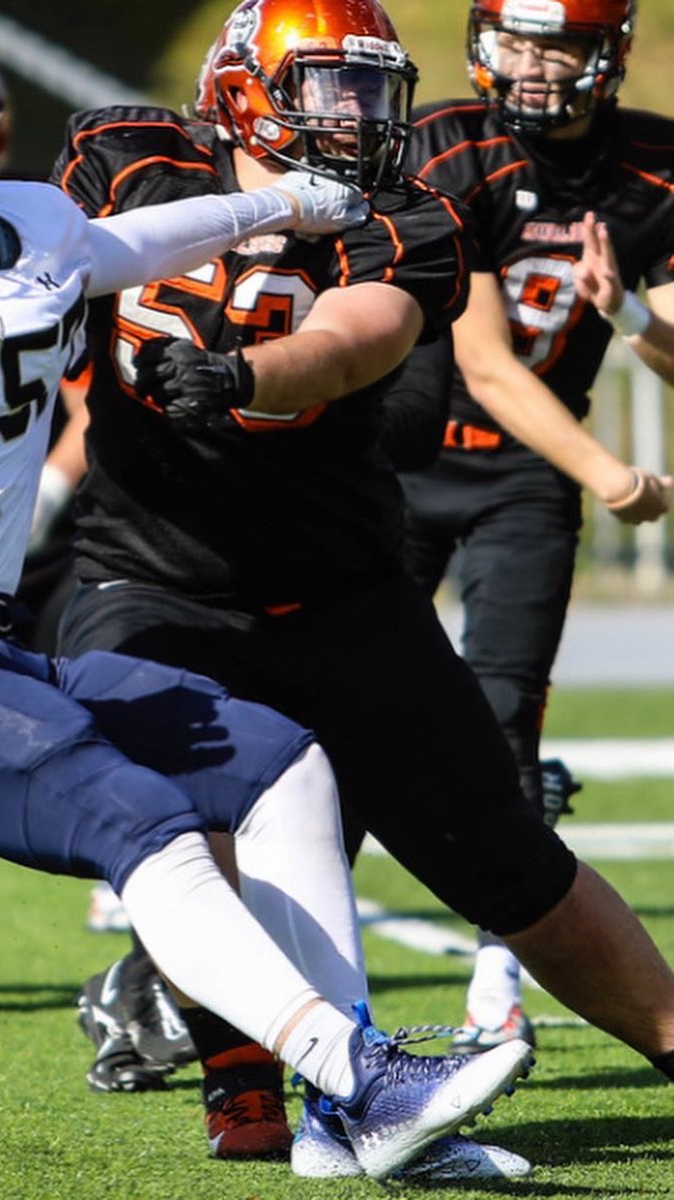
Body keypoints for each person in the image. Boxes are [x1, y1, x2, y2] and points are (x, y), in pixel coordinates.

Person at [0, 28, 535, 1184]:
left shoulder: (35, 227)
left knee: (280, 763)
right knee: (133, 811)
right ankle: (358, 1070)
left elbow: (122, 243)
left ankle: (352, 1122)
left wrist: (275, 205)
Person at [48, 0, 674, 1178]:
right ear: (242, 88)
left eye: (375, 90)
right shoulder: (125, 153)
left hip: (341, 590)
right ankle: (255, 1095)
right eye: (330, 88)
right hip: (151, 577)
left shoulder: (406, 215)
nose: (359, 118)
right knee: (188, 820)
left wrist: (243, 372)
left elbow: (361, 334)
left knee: (505, 856)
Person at [401, 0, 674, 1053]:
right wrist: (611, 474)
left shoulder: (652, 166)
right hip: (399, 465)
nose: (529, 64)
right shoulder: (446, 144)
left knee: (505, 724)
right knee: (319, 712)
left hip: (525, 480)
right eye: (514, 39)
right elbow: (482, 363)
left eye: (555, 44)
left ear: (606, 54)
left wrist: (635, 314)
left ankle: (494, 985)